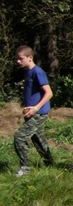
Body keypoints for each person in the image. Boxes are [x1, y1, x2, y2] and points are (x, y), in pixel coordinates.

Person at [14, 45, 54, 176]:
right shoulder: (27, 72)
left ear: (30, 58)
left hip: (39, 113)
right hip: (32, 112)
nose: (18, 61)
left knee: (20, 137)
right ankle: (51, 165)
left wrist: (35, 108)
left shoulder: (38, 72)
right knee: (38, 139)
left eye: (20, 59)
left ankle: (25, 168)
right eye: (17, 59)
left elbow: (49, 93)